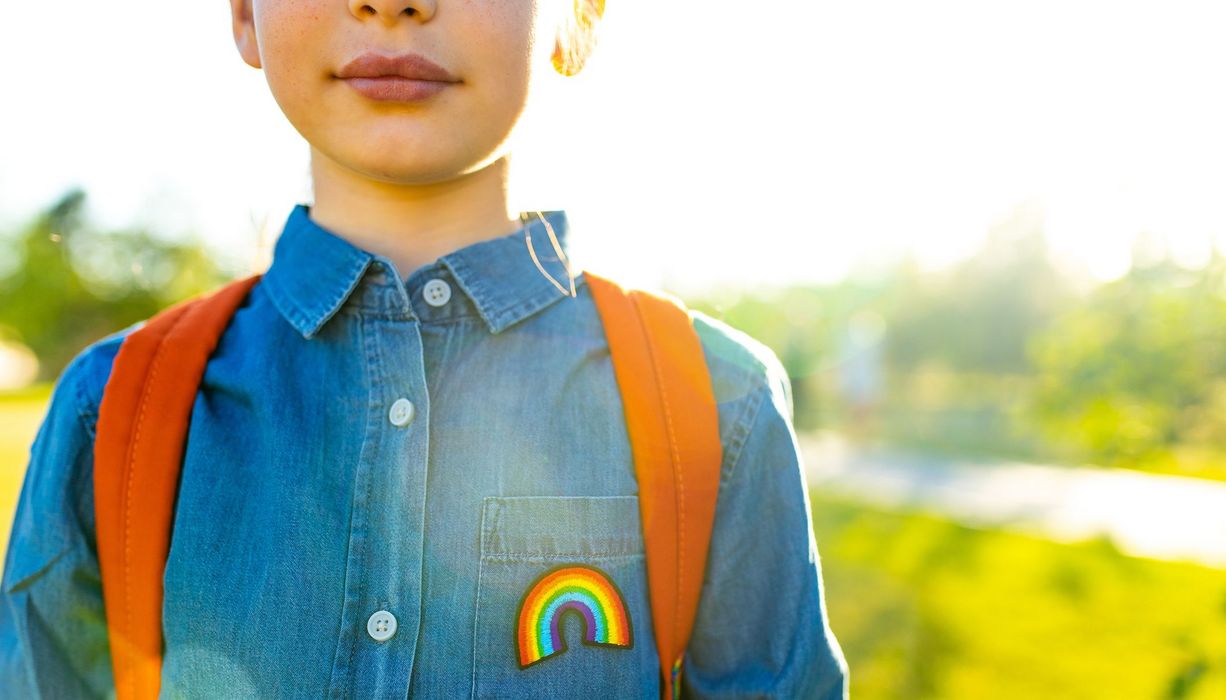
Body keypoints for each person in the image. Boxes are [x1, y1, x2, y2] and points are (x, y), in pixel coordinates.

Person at [0, 0, 849, 697]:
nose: (393, 2)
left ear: (578, 17)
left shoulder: (713, 403)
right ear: (243, 17)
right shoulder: (110, 410)